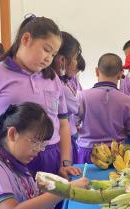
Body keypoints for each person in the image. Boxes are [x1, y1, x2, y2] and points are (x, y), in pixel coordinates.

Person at [0, 15, 79, 209]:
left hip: (48, 155)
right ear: (26, 39)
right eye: (46, 49)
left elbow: (63, 124)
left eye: (53, 54)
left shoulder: (51, 80)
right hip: (10, 158)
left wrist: (65, 161)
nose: (49, 58)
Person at [0, 102, 88, 209]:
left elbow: (31, 199)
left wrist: (58, 181)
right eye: (35, 142)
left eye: (42, 144)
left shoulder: (16, 163)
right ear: (12, 134)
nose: (39, 149)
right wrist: (65, 190)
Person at [76, 53, 130, 163]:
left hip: (87, 151)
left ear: (97, 71)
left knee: (84, 179)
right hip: (117, 154)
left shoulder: (82, 96)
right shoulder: (127, 100)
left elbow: (73, 124)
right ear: (120, 74)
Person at [51, 31, 82, 165]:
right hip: (56, 147)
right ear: (62, 60)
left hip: (60, 147)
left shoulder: (59, 82)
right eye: (75, 58)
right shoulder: (59, 85)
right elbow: (76, 107)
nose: (76, 64)